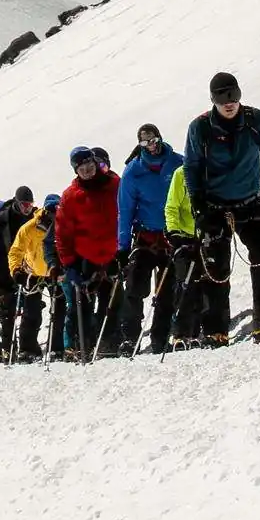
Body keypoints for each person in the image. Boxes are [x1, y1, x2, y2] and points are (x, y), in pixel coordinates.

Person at [182, 72, 260, 344]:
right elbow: (192, 166)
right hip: (214, 206)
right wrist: (198, 204)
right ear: (213, 100)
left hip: (249, 202)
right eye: (222, 97)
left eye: (233, 95)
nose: (229, 102)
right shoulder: (200, 128)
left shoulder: (255, 120)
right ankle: (215, 331)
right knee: (215, 268)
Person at [116, 124, 184, 354]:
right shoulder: (133, 171)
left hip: (172, 235)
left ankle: (160, 337)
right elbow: (125, 210)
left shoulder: (177, 163)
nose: (151, 146)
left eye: (153, 140)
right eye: (145, 143)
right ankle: (129, 338)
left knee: (167, 290)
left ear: (160, 137)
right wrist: (122, 246)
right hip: (145, 235)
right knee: (134, 286)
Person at [54, 145, 121, 359]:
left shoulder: (114, 184)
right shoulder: (71, 196)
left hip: (112, 253)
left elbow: (127, 213)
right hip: (86, 256)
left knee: (112, 300)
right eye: (81, 168)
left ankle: (109, 342)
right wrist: (69, 264)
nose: (87, 170)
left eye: (89, 165)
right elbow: (63, 233)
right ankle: (81, 345)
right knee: (81, 305)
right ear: (76, 171)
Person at [0, 187, 36, 360]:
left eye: (30, 204)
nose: (27, 208)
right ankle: (8, 348)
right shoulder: (0, 221)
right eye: (24, 204)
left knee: (31, 309)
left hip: (29, 270)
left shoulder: (35, 218)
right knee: (7, 312)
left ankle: (27, 348)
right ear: (16, 202)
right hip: (4, 271)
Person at [8, 192, 61, 361]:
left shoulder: (64, 224)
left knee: (60, 309)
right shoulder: (30, 228)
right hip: (34, 273)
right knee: (31, 312)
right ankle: (27, 348)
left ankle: (57, 347)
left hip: (56, 272)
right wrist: (16, 270)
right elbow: (16, 251)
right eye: (51, 209)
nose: (53, 213)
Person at [163, 163, 209, 348]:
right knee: (185, 282)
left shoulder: (213, 169)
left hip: (206, 234)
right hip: (184, 237)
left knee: (206, 282)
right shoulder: (181, 173)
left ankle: (202, 329)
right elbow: (172, 206)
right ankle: (180, 333)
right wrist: (174, 231)